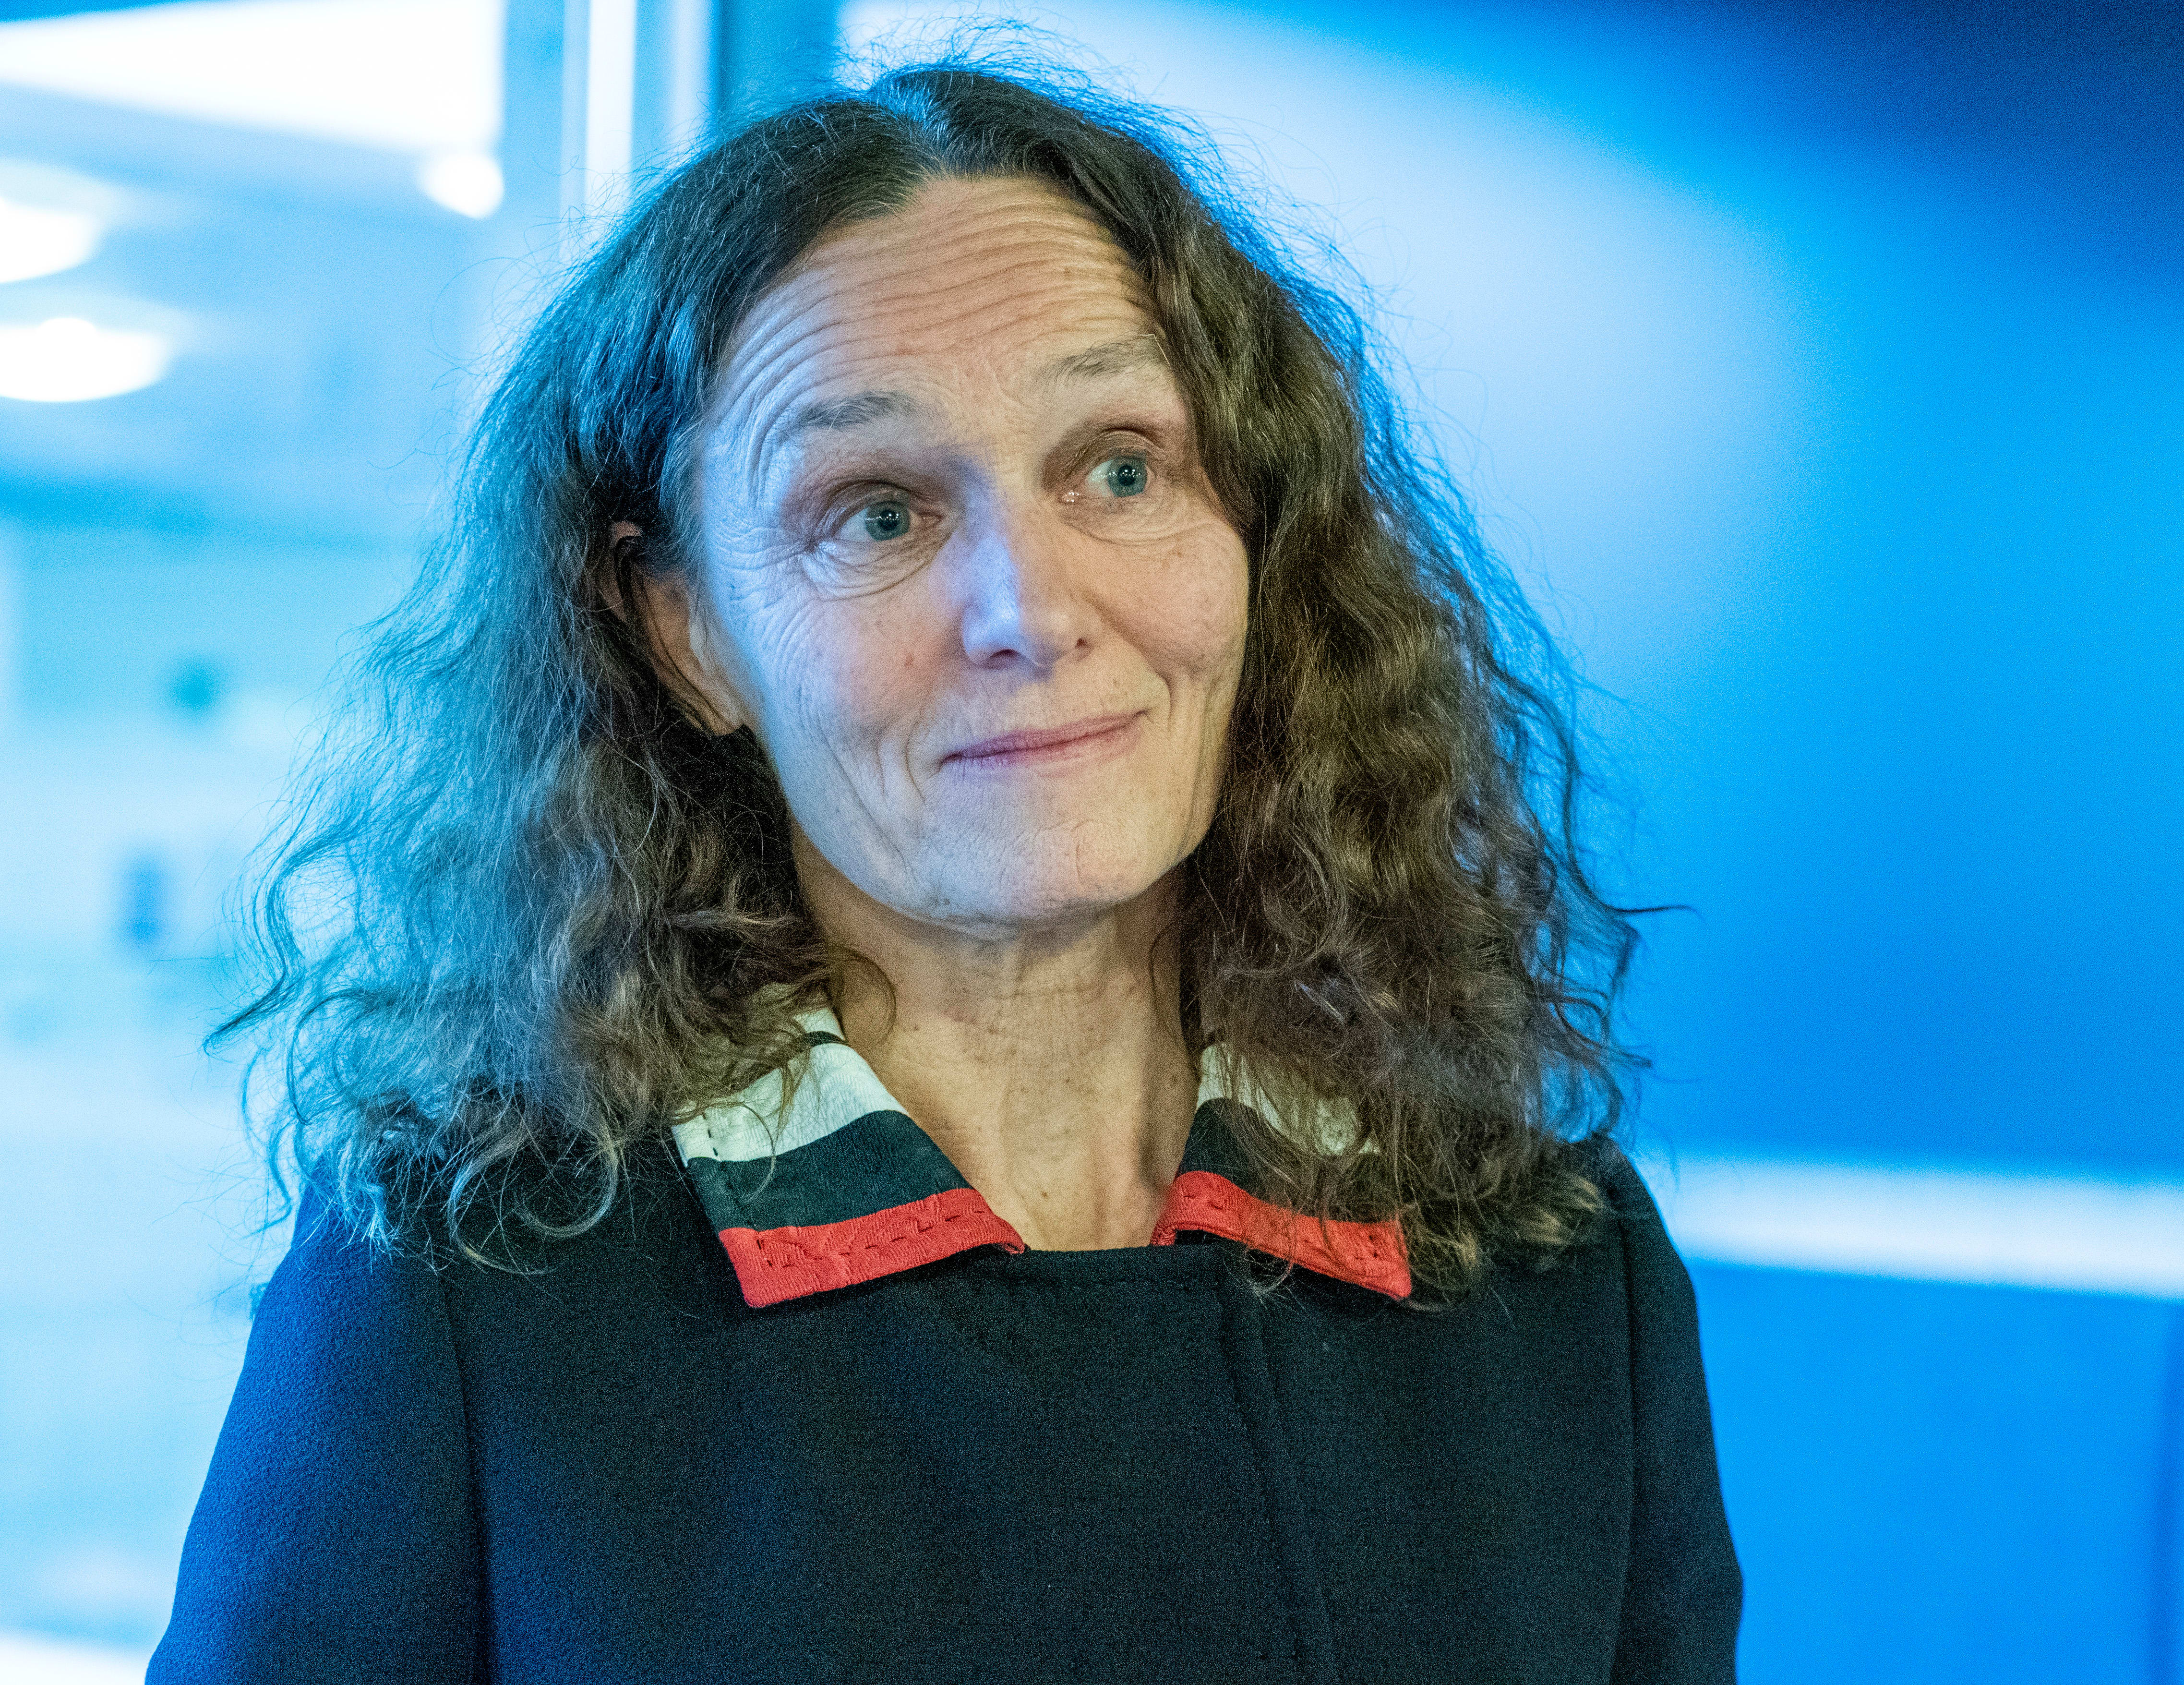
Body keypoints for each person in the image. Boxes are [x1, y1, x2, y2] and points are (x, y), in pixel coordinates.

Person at [150, 58, 1740, 1684]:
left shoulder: (1557, 1270)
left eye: (1120, 469)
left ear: (1257, 542)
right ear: (689, 634)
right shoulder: (469, 1285)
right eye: (876, 515)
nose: (1029, 612)